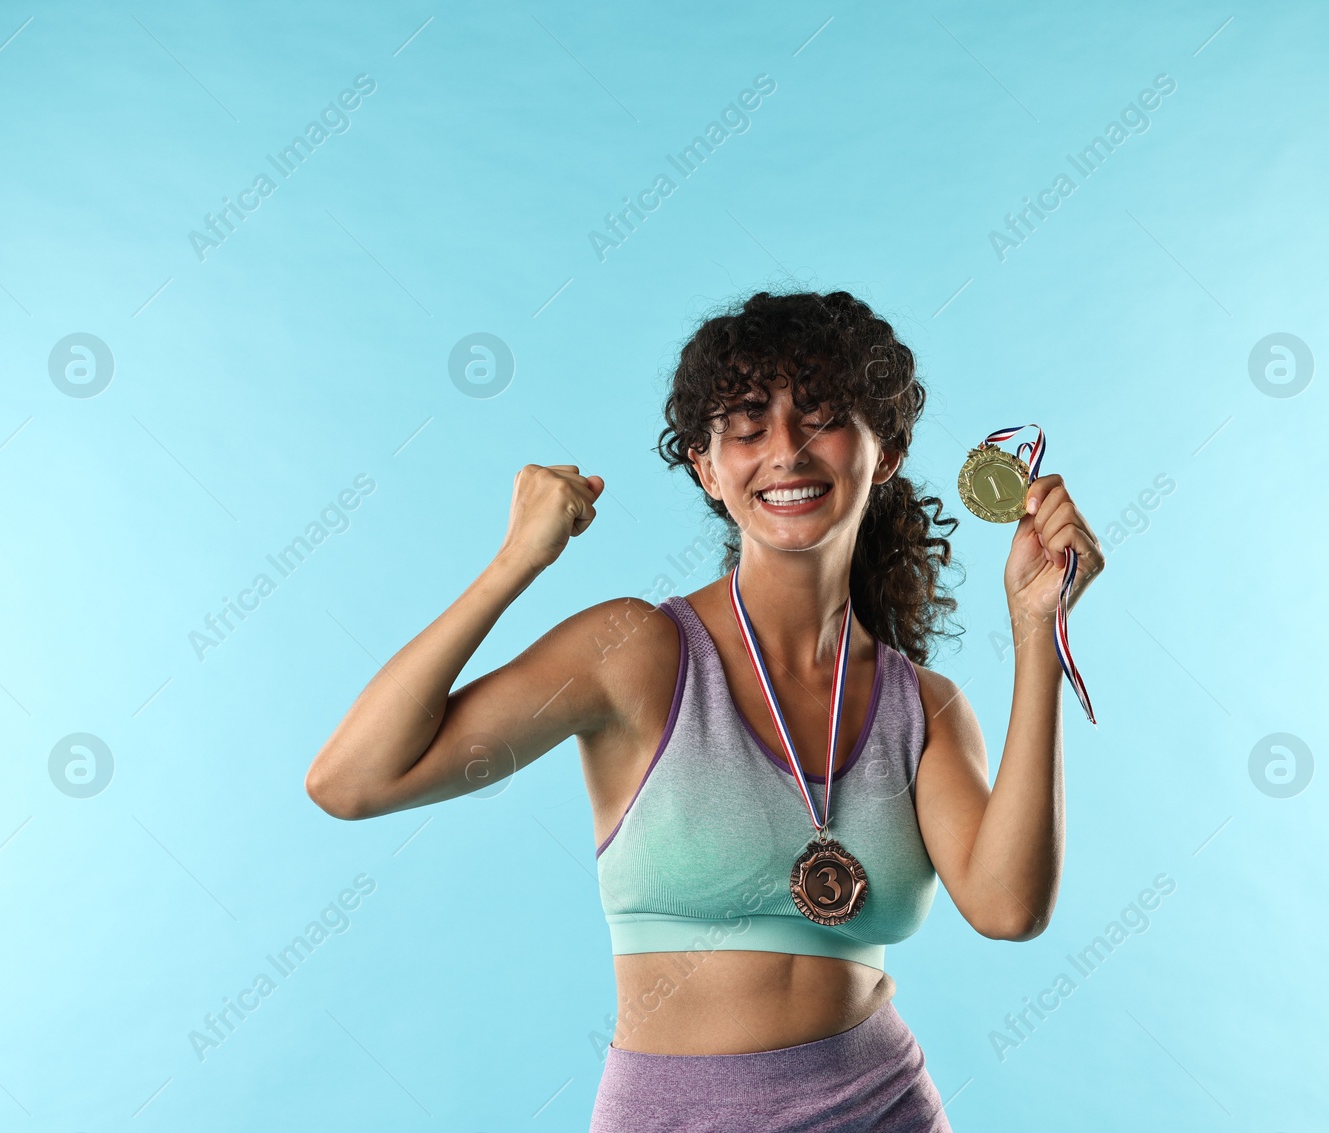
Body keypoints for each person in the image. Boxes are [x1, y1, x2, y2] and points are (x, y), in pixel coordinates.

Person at [304, 290, 1104, 1131]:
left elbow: (1010, 908)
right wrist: (516, 562)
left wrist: (1035, 630)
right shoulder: (634, 653)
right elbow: (352, 779)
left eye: (823, 419)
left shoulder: (925, 706)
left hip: (886, 1108)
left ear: (887, 451)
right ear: (705, 465)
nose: (786, 453)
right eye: (749, 427)